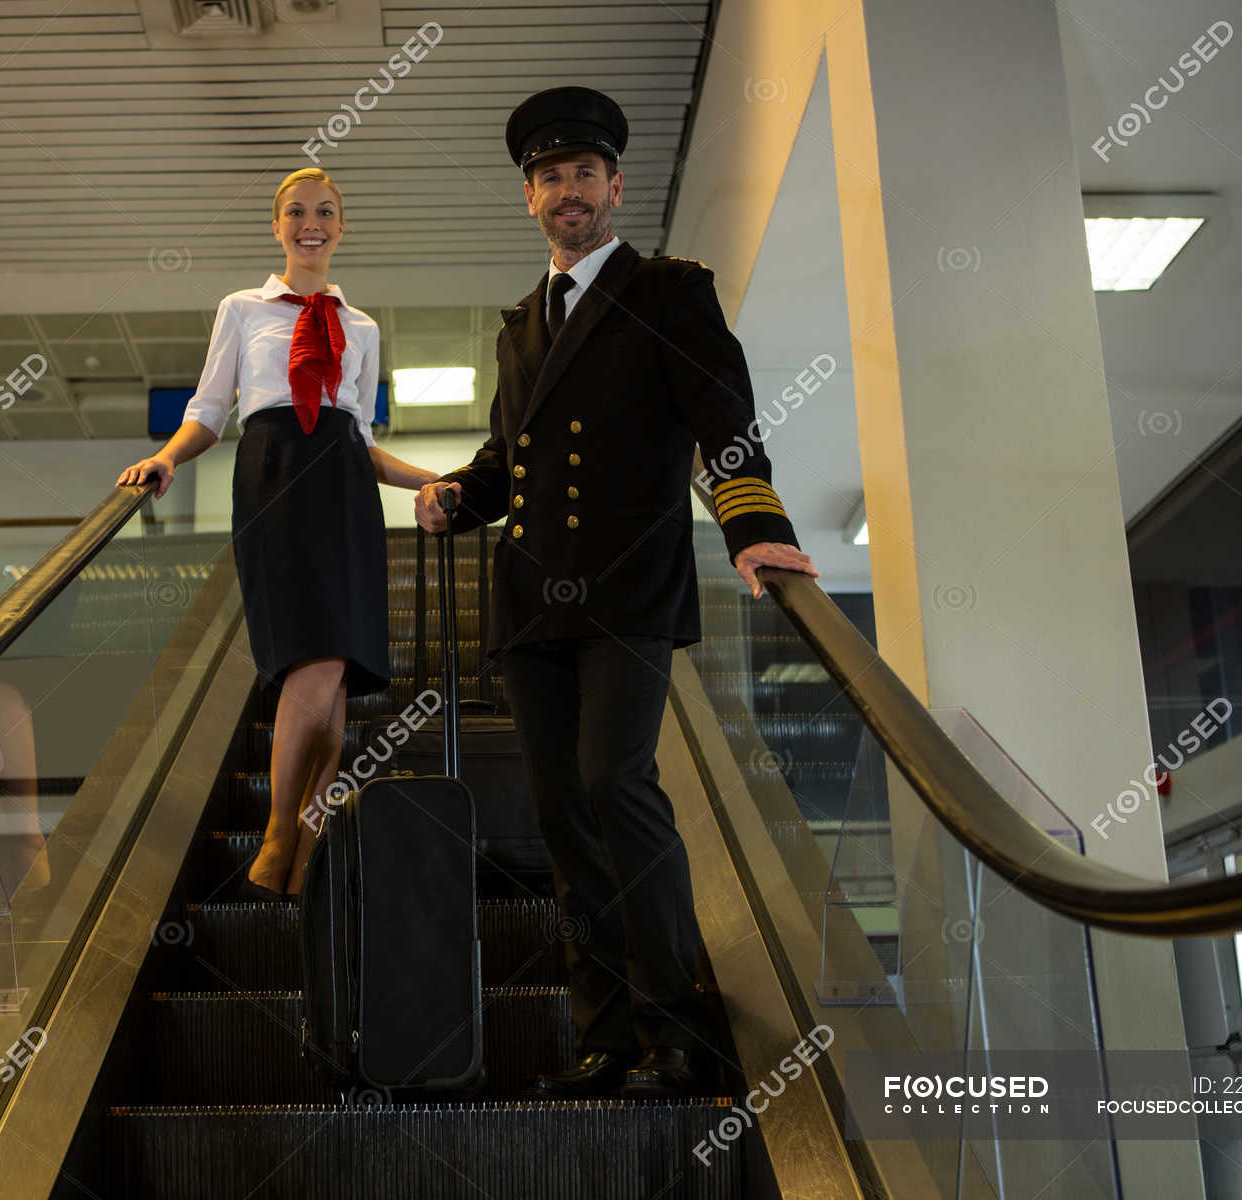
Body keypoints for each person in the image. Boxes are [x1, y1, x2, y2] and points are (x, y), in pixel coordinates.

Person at [415, 87, 819, 1097]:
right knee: (561, 815)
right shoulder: (518, 325)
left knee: (616, 786)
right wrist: (461, 497)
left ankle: (678, 1030)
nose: (568, 192)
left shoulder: (671, 290)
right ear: (530, 198)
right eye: (550, 179)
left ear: (614, 186)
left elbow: (724, 415)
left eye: (584, 175)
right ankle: (604, 1037)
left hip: (629, 591)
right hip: (532, 605)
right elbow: (512, 458)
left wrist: (755, 527)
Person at [119, 168, 438, 901]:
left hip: (346, 487)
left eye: (326, 211)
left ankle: (308, 830)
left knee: (335, 671)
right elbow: (208, 409)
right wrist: (166, 458)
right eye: (296, 212)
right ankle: (280, 828)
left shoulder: (362, 328)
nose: (311, 223)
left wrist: (432, 479)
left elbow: (359, 436)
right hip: (273, 476)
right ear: (277, 226)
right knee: (308, 657)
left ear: (342, 227)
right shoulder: (241, 308)